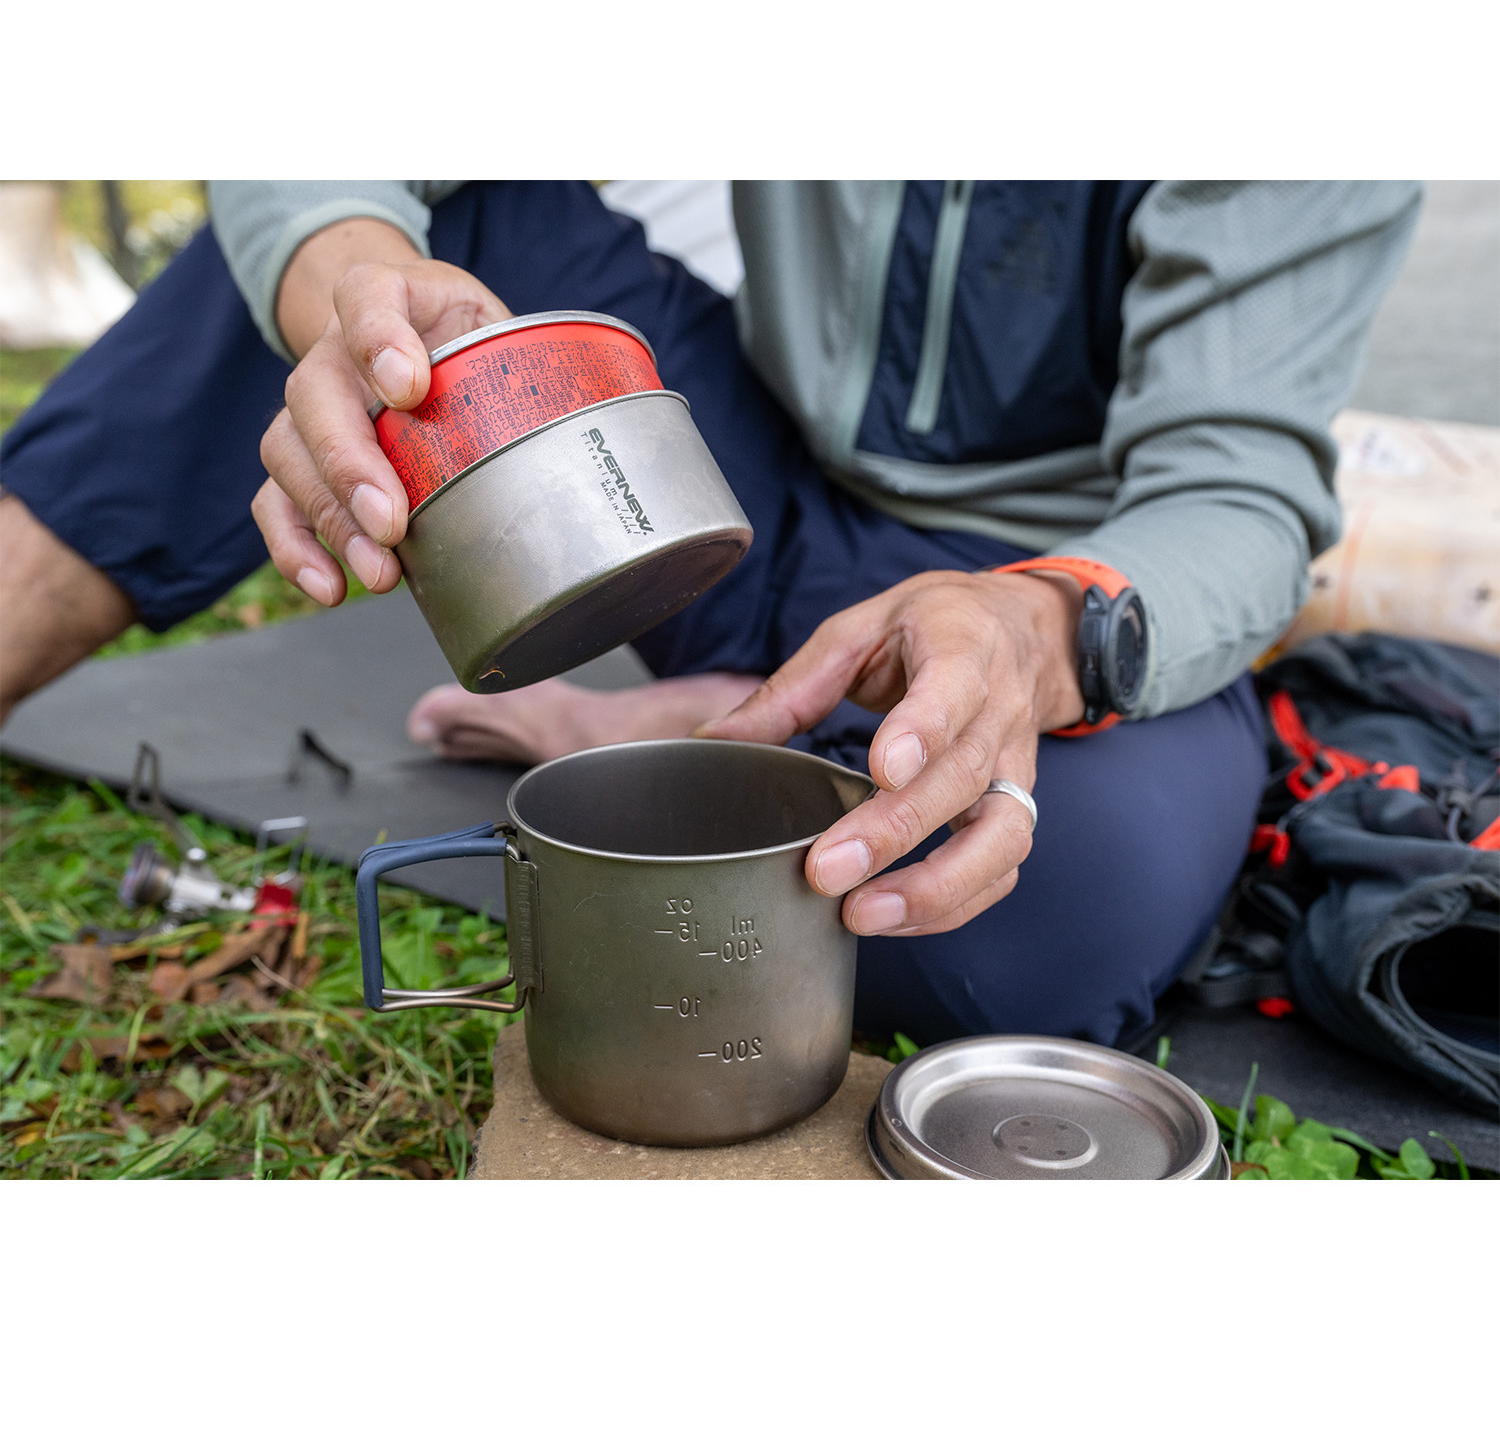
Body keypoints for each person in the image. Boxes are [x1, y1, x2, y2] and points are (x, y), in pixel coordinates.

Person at [0, 180, 1422, 1049]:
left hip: (1032, 597)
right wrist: (348, 287)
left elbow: (1235, 495)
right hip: (731, 497)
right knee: (391, 255)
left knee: (1009, 917)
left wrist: (1039, 631)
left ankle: (730, 728)